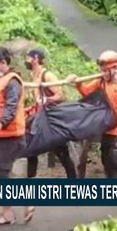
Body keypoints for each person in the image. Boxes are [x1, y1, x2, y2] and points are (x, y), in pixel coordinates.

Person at [0, 47, 34, 228]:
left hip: (10, 136)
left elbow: (10, 109)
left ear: (3, 62)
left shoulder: (12, 82)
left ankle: (11, 212)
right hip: (2, 137)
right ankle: (18, 208)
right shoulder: (0, 81)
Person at [67, 50, 117, 178]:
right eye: (102, 70)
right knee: (107, 163)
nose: (103, 73)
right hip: (108, 129)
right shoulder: (101, 82)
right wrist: (77, 83)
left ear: (114, 69)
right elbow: (87, 92)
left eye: (106, 70)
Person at [24, 49, 77, 179]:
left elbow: (60, 95)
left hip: (52, 119)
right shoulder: (34, 76)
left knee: (61, 152)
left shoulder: (47, 75)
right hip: (40, 116)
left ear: (35, 59)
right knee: (31, 148)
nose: (26, 61)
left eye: (28, 58)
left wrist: (47, 99)